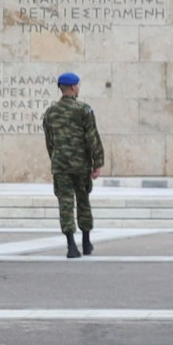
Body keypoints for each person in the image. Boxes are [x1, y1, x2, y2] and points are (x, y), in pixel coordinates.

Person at [42, 72, 104, 258]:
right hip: (81, 165)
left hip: (61, 166)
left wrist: (55, 159)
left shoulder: (51, 112)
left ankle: (71, 246)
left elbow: (49, 141)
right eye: (77, 85)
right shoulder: (84, 110)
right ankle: (86, 242)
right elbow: (92, 138)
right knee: (83, 201)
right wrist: (97, 163)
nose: (78, 88)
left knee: (65, 204)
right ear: (72, 87)